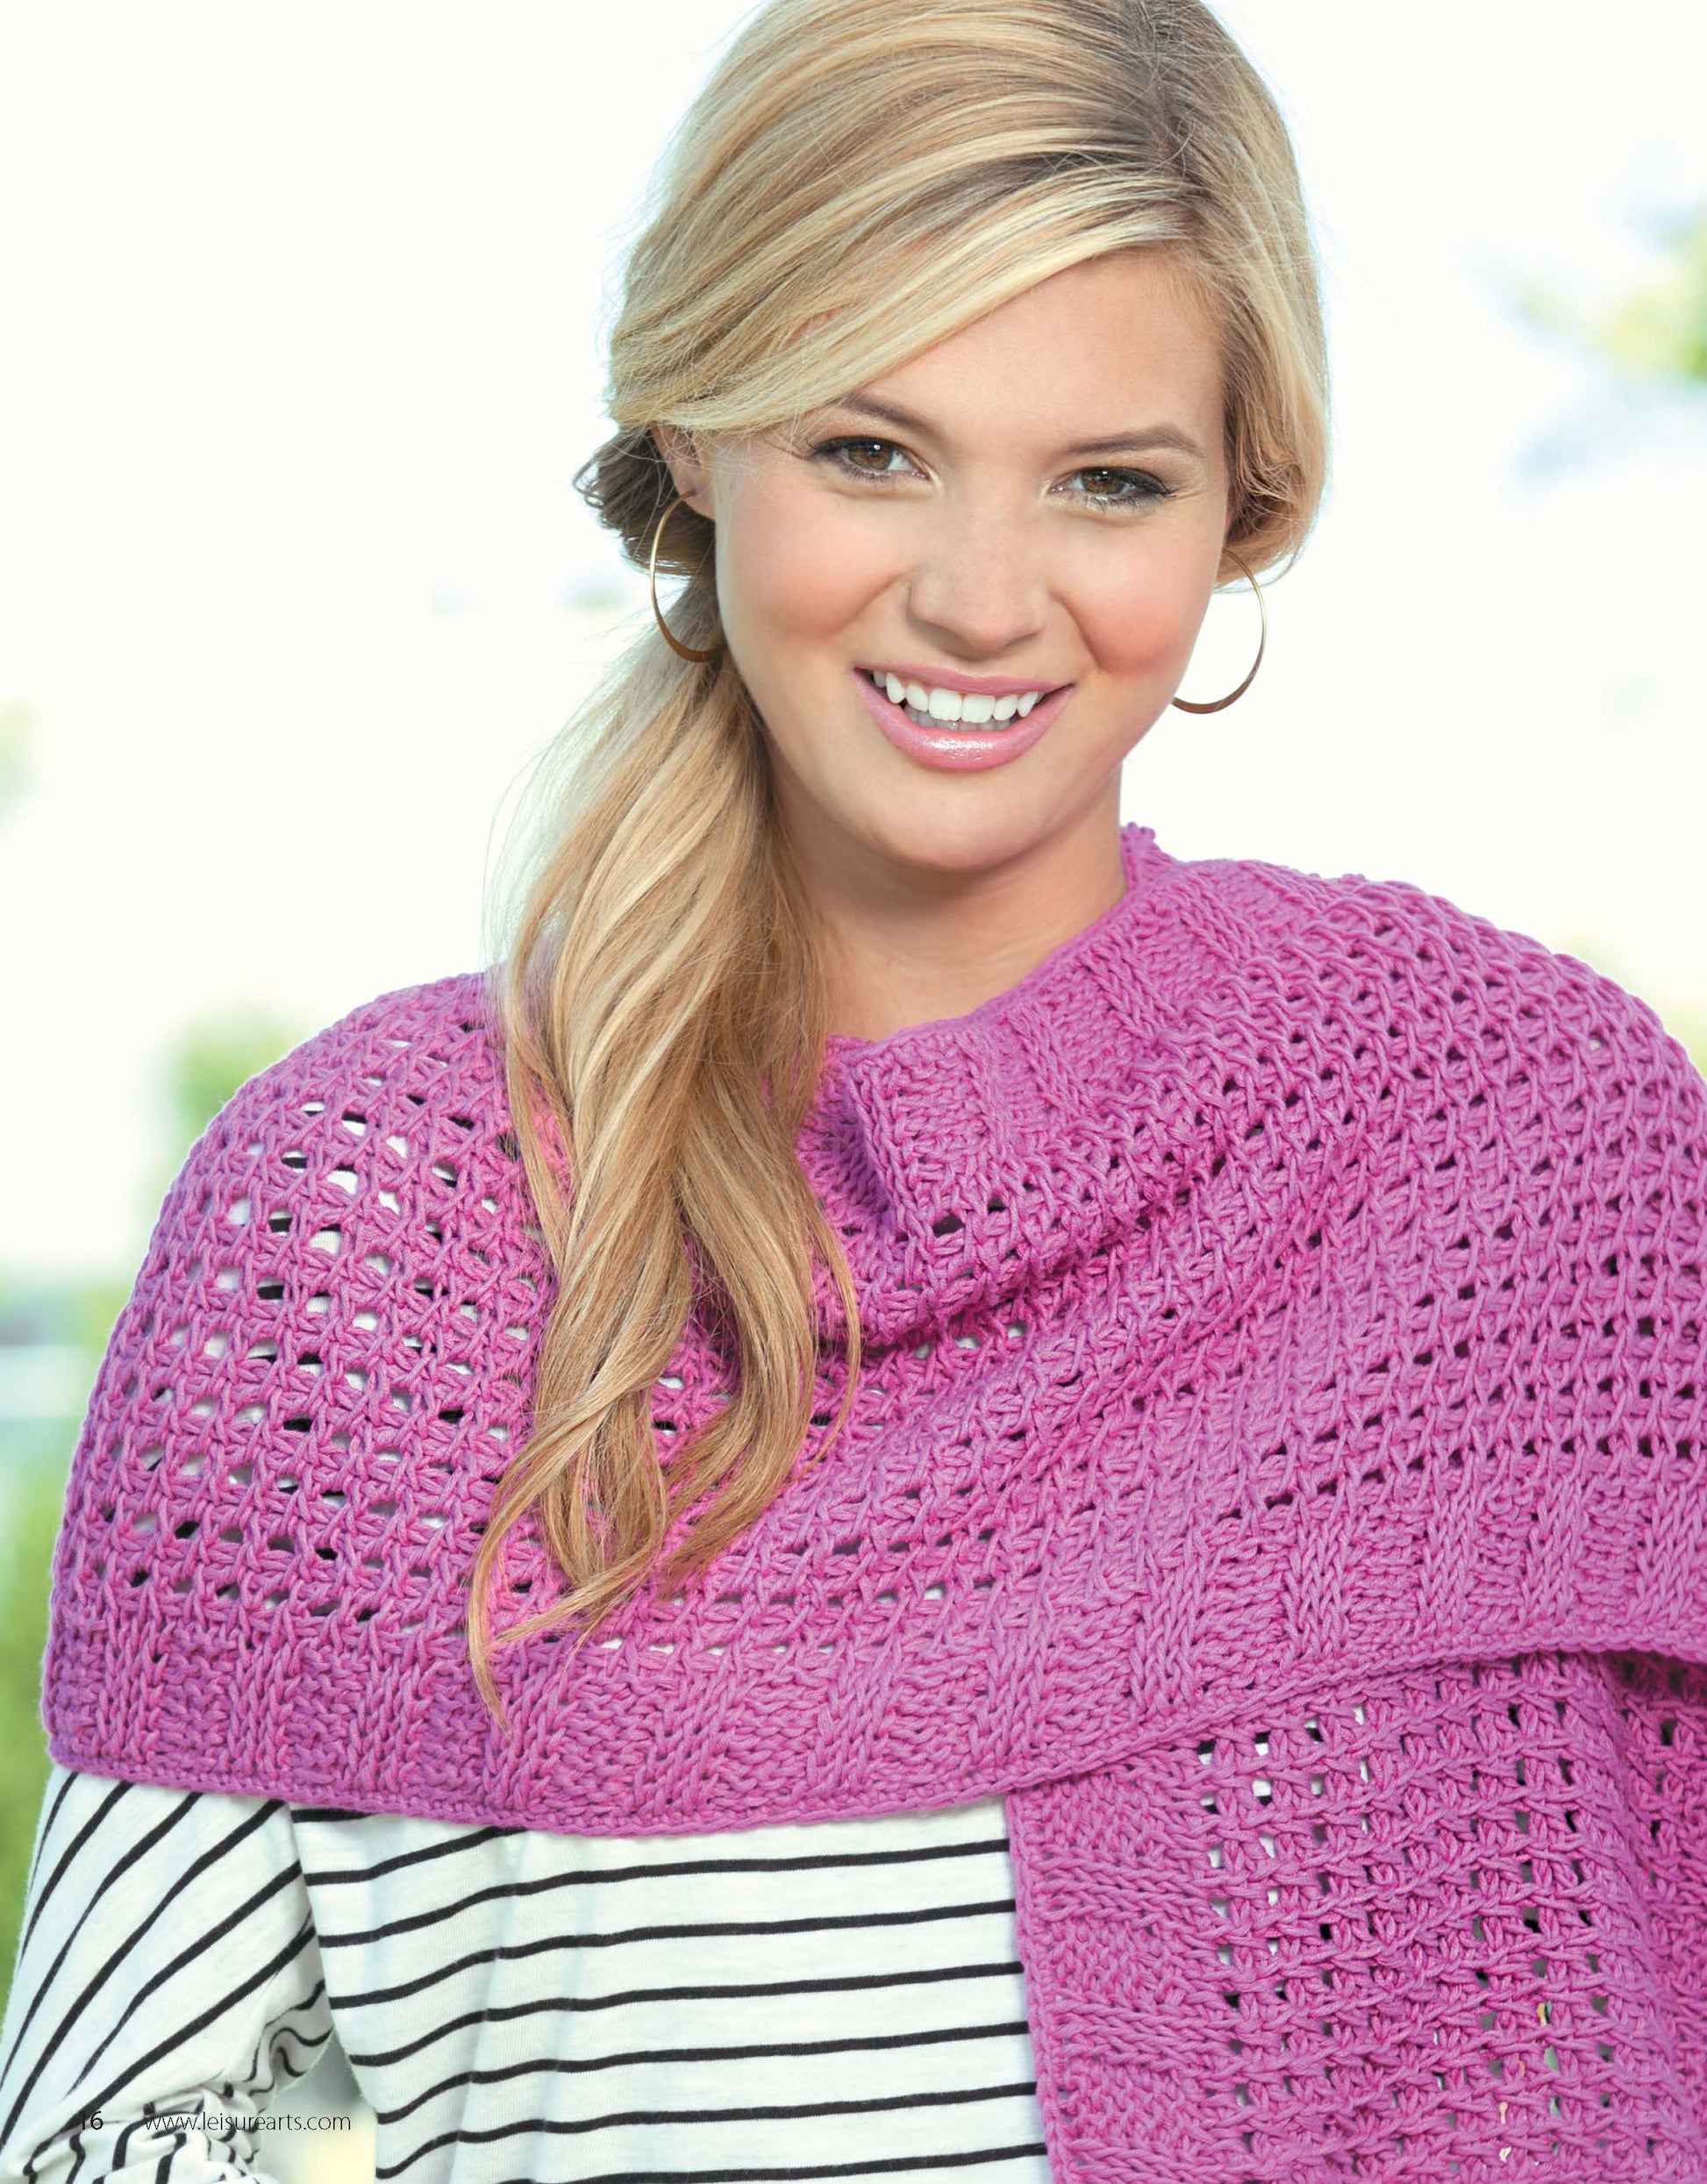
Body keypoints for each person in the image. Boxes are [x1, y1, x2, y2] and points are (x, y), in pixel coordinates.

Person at [4, 0, 1706, 2178]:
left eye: (1108, 481)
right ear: (696, 442)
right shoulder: (364, 1225)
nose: (981, 601)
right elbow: (118, 2129)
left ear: (1241, 514)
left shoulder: (1509, 1150)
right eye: (872, 449)